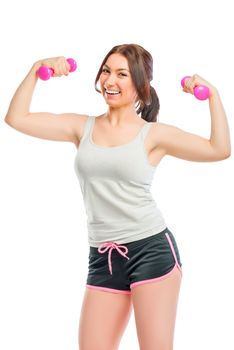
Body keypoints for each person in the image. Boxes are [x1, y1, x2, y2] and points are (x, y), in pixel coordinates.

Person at [4, 43, 231, 350]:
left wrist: (213, 96)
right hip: (103, 257)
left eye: (122, 74)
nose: (110, 81)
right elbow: (16, 118)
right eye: (107, 71)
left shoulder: (153, 135)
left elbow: (219, 149)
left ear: (141, 85)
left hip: (151, 250)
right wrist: (36, 70)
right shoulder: (81, 127)